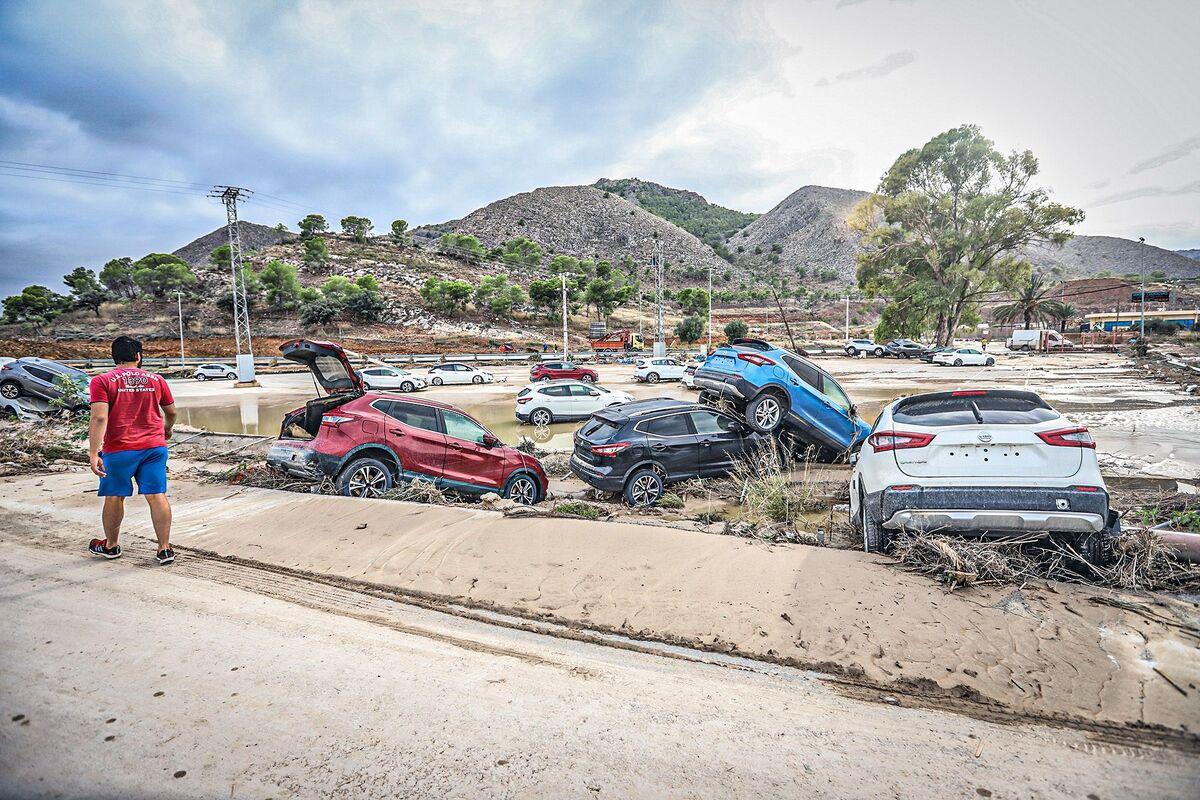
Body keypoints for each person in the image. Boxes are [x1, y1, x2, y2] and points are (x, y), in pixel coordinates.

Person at [87, 336, 177, 564]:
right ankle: (164, 549)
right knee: (156, 495)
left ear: (114, 357)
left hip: (119, 450)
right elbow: (172, 412)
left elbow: (99, 417)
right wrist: (167, 429)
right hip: (154, 448)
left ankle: (111, 545)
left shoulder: (102, 380)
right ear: (138, 356)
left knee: (115, 495)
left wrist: (93, 452)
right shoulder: (156, 379)